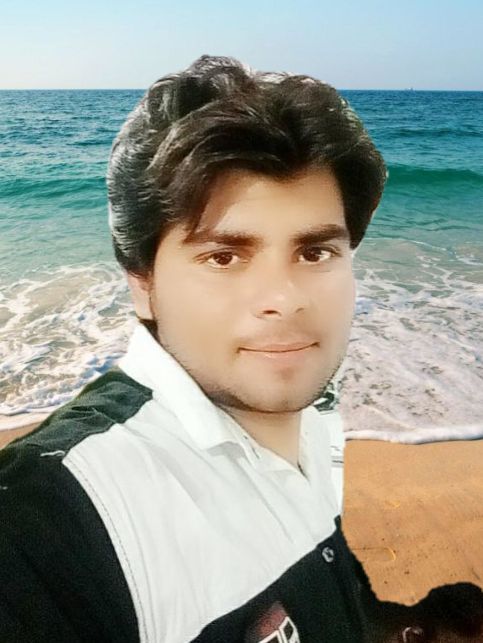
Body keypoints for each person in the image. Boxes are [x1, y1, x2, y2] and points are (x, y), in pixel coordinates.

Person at [0, 55, 386, 642]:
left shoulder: (316, 415)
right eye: (223, 257)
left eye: (315, 253)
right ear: (143, 284)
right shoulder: (50, 519)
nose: (284, 300)